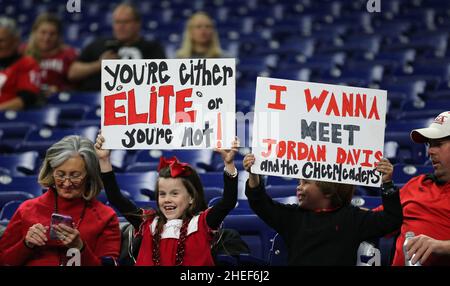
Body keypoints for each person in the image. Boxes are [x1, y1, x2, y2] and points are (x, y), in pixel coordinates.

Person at [94, 133, 239, 266]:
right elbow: (115, 197)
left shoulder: (202, 223)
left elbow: (228, 202)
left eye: (174, 193)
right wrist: (104, 160)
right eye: (162, 194)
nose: (167, 199)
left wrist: (229, 164)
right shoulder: (148, 223)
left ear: (191, 198)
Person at [243, 154, 403, 266]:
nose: (299, 187)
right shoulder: (292, 217)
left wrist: (387, 183)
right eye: (299, 182)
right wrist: (253, 174)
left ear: (327, 190)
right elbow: (260, 203)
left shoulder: (352, 218)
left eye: (305, 182)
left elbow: (392, 220)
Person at [0, 136, 121, 266]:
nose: (67, 183)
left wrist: (80, 248)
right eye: (60, 174)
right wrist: (26, 244)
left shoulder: (105, 216)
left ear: (90, 175)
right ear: (51, 173)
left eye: (75, 176)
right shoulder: (27, 209)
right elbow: (4, 260)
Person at [386, 111, 450, 266]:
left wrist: (441, 246)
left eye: (438, 144)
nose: (429, 151)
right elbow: (379, 221)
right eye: (429, 144)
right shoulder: (417, 184)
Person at [68, 3, 166, 91]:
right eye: (117, 22)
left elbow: (164, 77)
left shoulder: (152, 48)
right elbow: (73, 73)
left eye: (126, 22)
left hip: (140, 99)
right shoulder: (98, 45)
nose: (121, 27)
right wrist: (99, 65)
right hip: (98, 101)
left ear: (137, 24)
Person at [23, 13, 78, 95]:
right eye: (43, 32)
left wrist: (60, 89)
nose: (47, 38)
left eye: (52, 34)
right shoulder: (22, 52)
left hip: (59, 101)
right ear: (34, 32)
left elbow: (77, 84)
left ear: (59, 36)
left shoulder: (68, 54)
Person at [0, 16, 40, 110]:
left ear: (15, 41)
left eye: (1, 41)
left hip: (11, 119)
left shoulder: (27, 64)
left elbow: (27, 99)